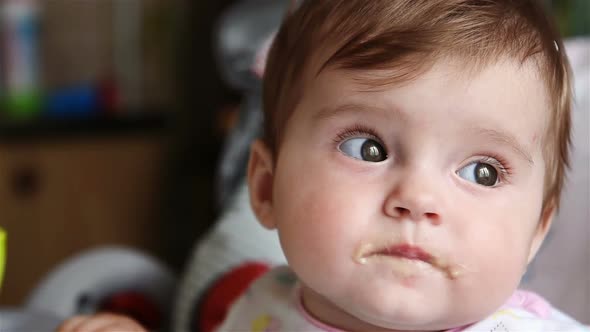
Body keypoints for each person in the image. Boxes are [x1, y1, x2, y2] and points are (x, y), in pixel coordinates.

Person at [58, 0, 589, 331]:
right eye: (368, 148)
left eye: (482, 172)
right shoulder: (260, 309)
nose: (418, 199)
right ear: (265, 188)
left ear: (536, 232)